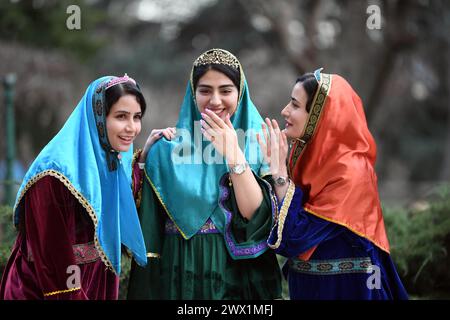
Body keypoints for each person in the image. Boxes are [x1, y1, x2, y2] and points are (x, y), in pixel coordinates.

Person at [127, 48, 282, 300]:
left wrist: (233, 154)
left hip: (239, 278)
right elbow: (149, 237)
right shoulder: (165, 152)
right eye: (205, 90)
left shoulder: (260, 144)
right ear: (192, 93)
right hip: (179, 276)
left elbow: (255, 218)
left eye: (226, 90)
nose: (215, 100)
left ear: (240, 92)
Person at [258, 69, 408, 300]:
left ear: (321, 116)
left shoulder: (351, 173)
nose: (285, 111)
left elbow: (295, 239)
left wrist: (279, 176)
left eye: (295, 105)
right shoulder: (306, 160)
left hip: (350, 290)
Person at [0, 75, 150, 300]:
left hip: (95, 281)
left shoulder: (108, 160)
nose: (132, 128)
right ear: (98, 117)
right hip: (47, 290)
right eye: (121, 116)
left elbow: (124, 198)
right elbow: (55, 264)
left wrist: (144, 157)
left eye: (136, 117)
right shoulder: (52, 176)